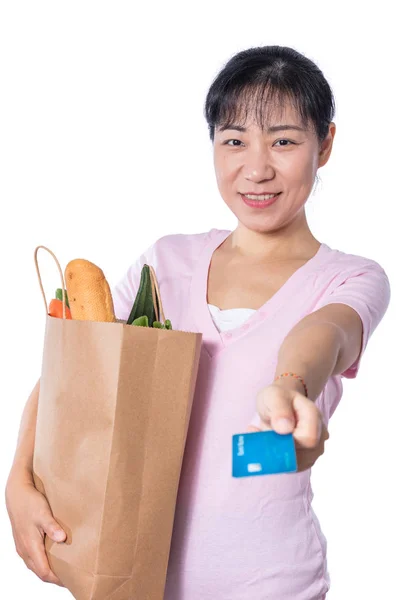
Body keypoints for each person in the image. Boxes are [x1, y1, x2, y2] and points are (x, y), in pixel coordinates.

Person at [5, 45, 390, 599]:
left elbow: (324, 335)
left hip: (272, 586)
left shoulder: (350, 277)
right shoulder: (165, 263)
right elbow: (74, 374)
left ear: (324, 144)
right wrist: (18, 482)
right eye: (234, 140)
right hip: (129, 578)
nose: (256, 168)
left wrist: (289, 391)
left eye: (284, 140)